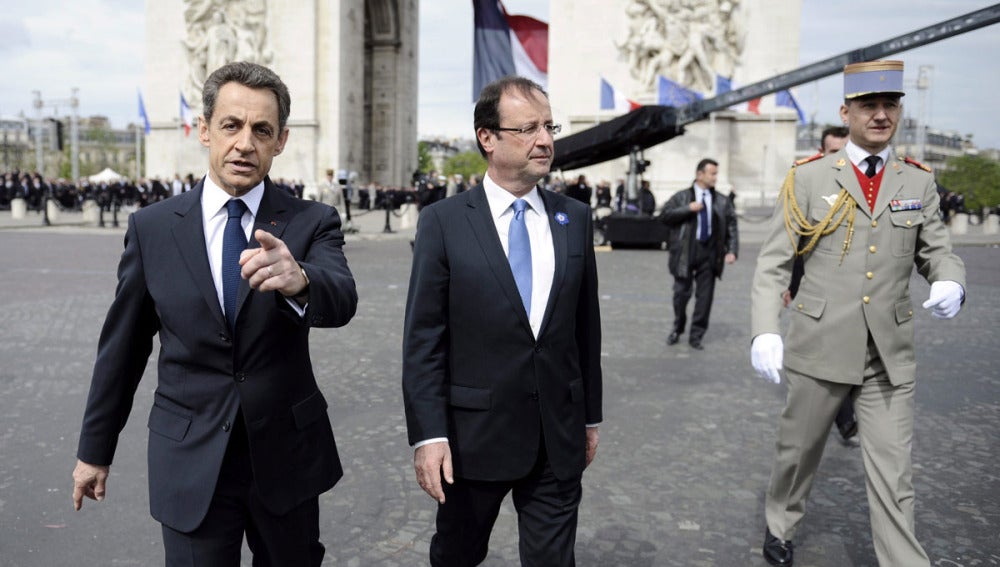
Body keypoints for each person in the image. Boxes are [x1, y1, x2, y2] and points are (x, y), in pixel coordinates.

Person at [71, 61, 359, 566]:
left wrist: (302, 279)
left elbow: (343, 298)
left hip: (286, 457)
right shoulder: (152, 228)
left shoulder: (313, 221)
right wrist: (95, 450)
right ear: (204, 130)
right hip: (190, 458)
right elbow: (123, 347)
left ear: (281, 141)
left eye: (261, 130)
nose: (245, 143)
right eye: (231, 125)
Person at [750, 61, 966, 567]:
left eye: (890, 105)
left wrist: (950, 278)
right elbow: (773, 265)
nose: (880, 114)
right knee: (797, 455)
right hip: (818, 344)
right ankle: (781, 522)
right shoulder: (808, 178)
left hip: (888, 355)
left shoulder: (917, 182)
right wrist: (764, 329)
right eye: (868, 105)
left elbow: (936, 250)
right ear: (845, 112)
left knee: (894, 472)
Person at [402, 75, 602, 567]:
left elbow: (585, 327)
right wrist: (429, 436)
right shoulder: (443, 222)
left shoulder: (574, 217)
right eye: (529, 128)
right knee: (457, 556)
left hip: (556, 436)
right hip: (472, 442)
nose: (547, 140)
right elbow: (424, 340)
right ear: (487, 138)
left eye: (549, 126)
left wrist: (590, 415)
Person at [782, 125, 860, 447]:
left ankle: (850, 415)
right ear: (821, 152)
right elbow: (793, 245)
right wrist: (790, 285)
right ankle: (845, 423)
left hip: (862, 299)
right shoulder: (807, 185)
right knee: (830, 363)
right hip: (819, 297)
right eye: (832, 152)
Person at [658, 158, 738, 349]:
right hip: (685, 253)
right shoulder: (682, 197)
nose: (715, 177)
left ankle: (696, 335)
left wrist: (732, 250)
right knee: (681, 295)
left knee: (705, 298)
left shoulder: (721, 200)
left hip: (709, 254)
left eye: (716, 173)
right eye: (712, 173)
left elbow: (732, 226)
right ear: (700, 174)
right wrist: (688, 209)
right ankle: (678, 328)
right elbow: (664, 216)